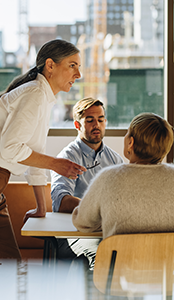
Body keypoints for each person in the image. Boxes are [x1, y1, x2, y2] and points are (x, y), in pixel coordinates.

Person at [0, 39, 86, 260]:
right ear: (50, 65)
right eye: (72, 65)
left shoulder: (43, 98)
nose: (78, 74)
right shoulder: (35, 94)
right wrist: (56, 164)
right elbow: (11, 148)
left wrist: (41, 208)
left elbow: (33, 155)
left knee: (11, 268)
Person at [72, 112, 174, 240]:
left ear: (130, 142)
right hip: (173, 271)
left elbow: (83, 223)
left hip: (122, 271)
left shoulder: (108, 177)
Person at [51, 97, 123, 264]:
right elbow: (60, 202)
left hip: (108, 230)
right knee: (101, 256)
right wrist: (97, 209)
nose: (96, 125)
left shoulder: (115, 159)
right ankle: (96, 291)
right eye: (90, 120)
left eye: (100, 119)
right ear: (78, 125)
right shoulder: (67, 157)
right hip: (76, 232)